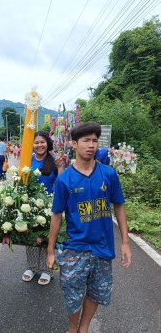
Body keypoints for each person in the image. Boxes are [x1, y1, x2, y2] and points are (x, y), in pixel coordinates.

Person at [46, 122, 132, 333]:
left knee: (96, 292)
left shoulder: (109, 174)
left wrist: (126, 242)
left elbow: (119, 205)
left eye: (94, 140)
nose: (91, 145)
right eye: (86, 140)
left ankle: (84, 328)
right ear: (74, 144)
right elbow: (57, 215)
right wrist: (50, 250)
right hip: (75, 248)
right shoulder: (65, 179)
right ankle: (72, 328)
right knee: (72, 293)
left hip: (102, 248)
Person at [22, 131, 64, 286]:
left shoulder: (54, 161)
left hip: (49, 205)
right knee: (31, 236)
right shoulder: (27, 160)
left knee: (47, 237)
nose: (39, 145)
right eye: (36, 142)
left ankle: (47, 270)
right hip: (29, 204)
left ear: (48, 143)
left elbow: (61, 183)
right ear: (31, 144)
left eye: (42, 142)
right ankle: (32, 267)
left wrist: (60, 167)